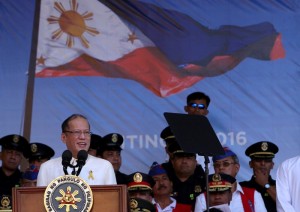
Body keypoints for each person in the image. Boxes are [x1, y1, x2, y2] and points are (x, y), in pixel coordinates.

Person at [37, 114, 116, 186]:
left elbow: (112, 200)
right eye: (77, 132)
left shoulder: (104, 166)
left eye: (86, 132)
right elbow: (39, 200)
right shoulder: (47, 168)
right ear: (64, 137)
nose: (82, 137)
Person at [212, 147, 267, 212]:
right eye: (217, 165)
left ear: (237, 168)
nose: (221, 167)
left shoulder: (253, 195)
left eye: (226, 164)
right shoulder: (204, 197)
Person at [240, 141, 278, 212]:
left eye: (267, 160)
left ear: (272, 165)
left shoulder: (281, 185)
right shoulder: (241, 187)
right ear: (251, 164)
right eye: (258, 160)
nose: (263, 163)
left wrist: (266, 185)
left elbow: (286, 206)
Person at [0, 134, 29, 210]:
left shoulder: (25, 182)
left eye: (17, 154)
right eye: (9, 152)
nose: (13, 157)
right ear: (1, 155)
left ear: (21, 159)